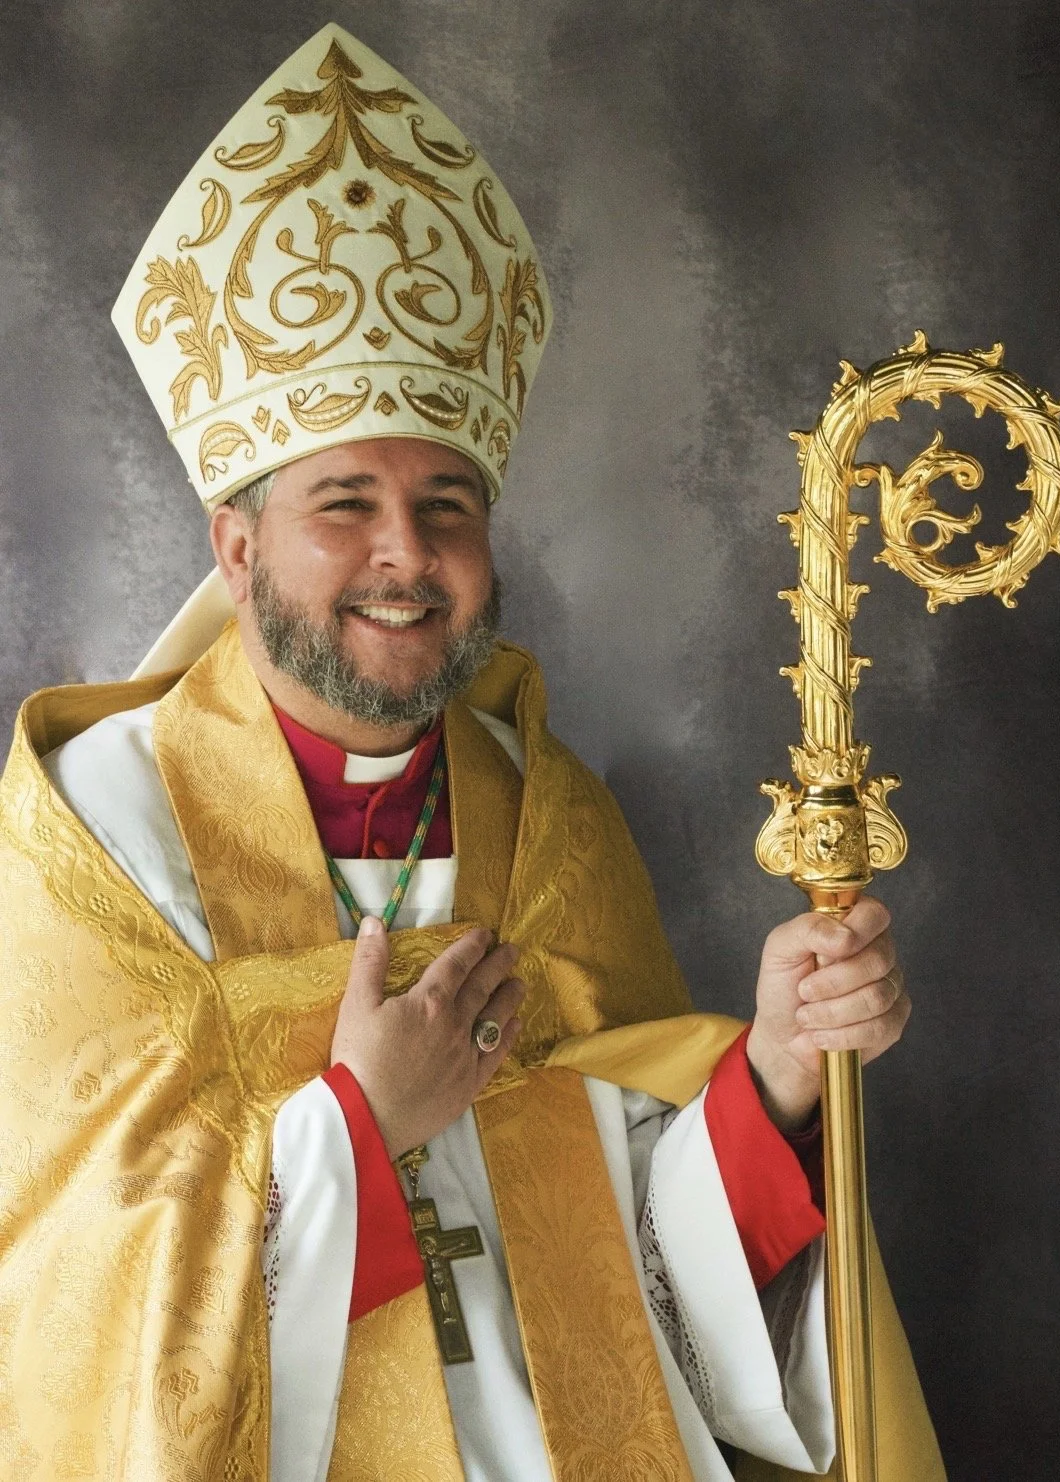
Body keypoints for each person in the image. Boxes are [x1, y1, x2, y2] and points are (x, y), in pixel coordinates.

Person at [0, 23, 944, 1482]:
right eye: (346, 502)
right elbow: (72, 1304)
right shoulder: (97, 842)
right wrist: (363, 1125)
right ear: (236, 546)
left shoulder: (545, 818)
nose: (406, 554)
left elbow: (653, 1269)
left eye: (447, 501)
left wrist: (777, 1072)